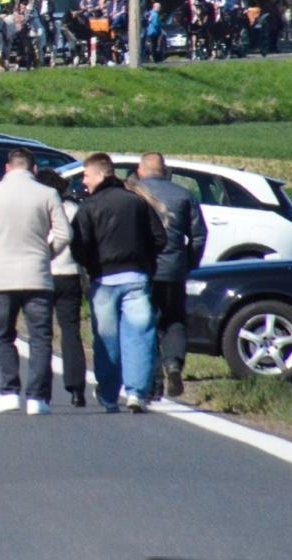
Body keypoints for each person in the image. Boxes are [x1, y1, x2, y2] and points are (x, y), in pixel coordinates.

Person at [0, 150, 71, 415]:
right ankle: (37, 397)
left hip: (3, 275)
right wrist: (48, 254)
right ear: (33, 169)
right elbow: (64, 233)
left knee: (5, 334)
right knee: (40, 337)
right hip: (37, 275)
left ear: (7, 168)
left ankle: (9, 391)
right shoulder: (47, 194)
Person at [70, 153, 165, 413]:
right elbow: (159, 238)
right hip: (137, 277)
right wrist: (144, 261)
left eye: (86, 175)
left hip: (103, 279)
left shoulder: (89, 206)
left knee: (106, 339)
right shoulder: (137, 201)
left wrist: (91, 266)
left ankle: (109, 394)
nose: (84, 181)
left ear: (101, 174)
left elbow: (79, 245)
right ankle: (137, 393)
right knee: (139, 336)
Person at [131, 153, 207, 399]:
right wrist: (189, 262)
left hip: (145, 267)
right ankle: (173, 364)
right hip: (174, 268)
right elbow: (198, 235)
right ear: (165, 171)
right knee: (173, 319)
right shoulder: (183, 195)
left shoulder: (134, 192)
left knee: (147, 323)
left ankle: (154, 381)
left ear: (140, 170)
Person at [35, 167, 88, 407]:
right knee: (70, 330)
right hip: (69, 274)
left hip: (42, 274)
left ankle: (41, 389)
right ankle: (76, 388)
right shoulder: (73, 209)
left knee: (41, 333)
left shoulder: (38, 208)